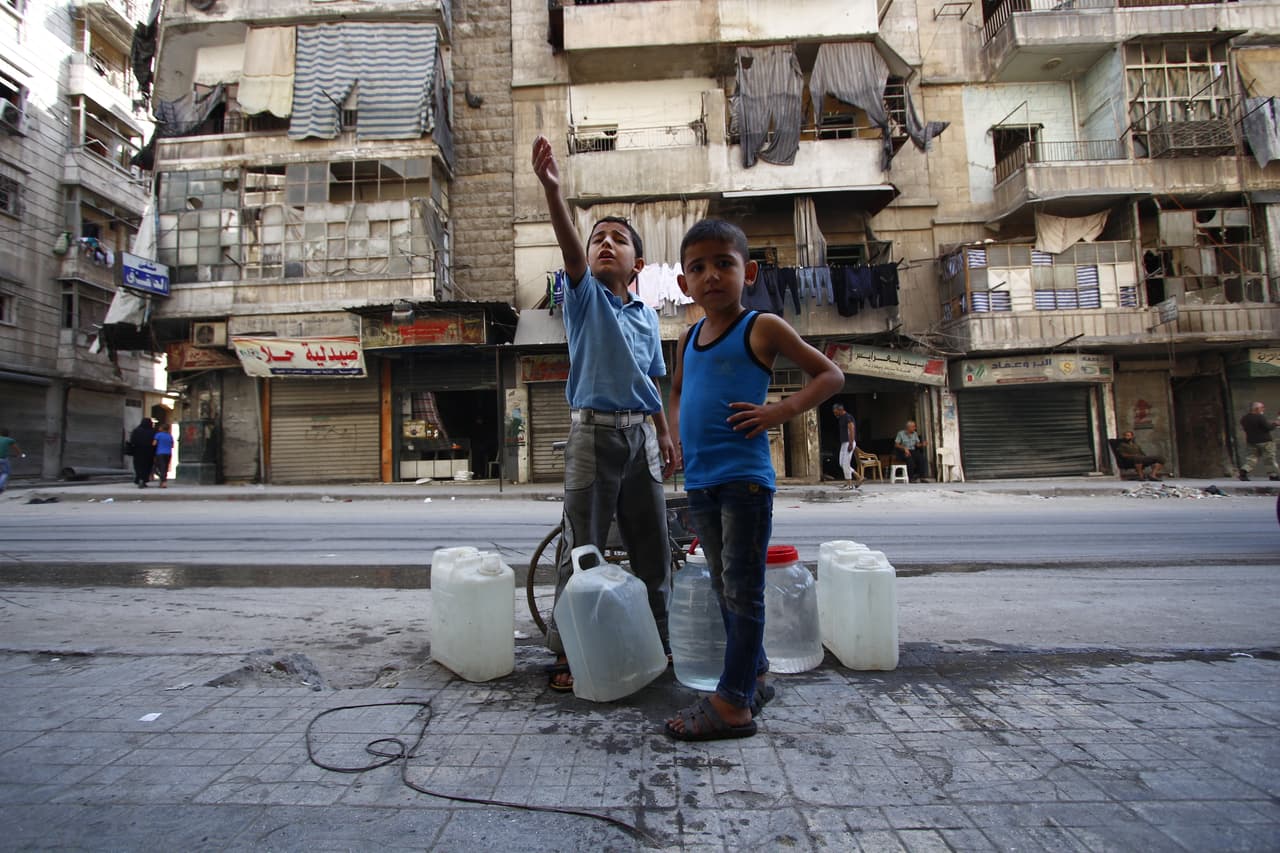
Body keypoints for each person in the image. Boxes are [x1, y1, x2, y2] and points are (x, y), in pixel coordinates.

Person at [664, 219, 843, 741]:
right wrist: (672, 436)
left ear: (749, 272)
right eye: (697, 267)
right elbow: (676, 392)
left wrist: (778, 412)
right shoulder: (688, 337)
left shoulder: (760, 327)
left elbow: (830, 375)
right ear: (683, 284)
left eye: (724, 263)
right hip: (701, 482)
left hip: (744, 482)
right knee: (725, 584)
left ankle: (733, 704)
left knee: (742, 591)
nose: (711, 275)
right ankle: (754, 675)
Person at [531, 135, 677, 692]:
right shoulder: (583, 297)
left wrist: (664, 433)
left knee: (653, 549)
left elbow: (651, 380)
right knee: (582, 546)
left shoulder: (644, 314)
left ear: (637, 264)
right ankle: (571, 653)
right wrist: (554, 191)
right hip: (591, 436)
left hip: (640, 439)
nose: (605, 245)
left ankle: (657, 643)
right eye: (599, 240)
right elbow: (569, 251)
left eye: (618, 240)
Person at [1238, 401, 1280, 481]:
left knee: (1251, 459)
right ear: (1256, 409)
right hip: (1265, 441)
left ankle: (1244, 471)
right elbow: (1267, 427)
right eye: (1262, 407)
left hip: (1251, 441)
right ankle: (1273, 475)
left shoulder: (1244, 418)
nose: (1263, 409)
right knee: (1269, 459)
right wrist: (1275, 423)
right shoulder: (1260, 417)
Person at [832, 402, 862, 489]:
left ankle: (849, 484)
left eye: (835, 411)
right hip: (844, 443)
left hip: (848, 442)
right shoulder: (841, 418)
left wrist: (851, 443)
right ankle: (859, 477)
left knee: (846, 463)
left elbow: (851, 429)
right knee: (842, 463)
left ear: (840, 410)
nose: (835, 413)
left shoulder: (847, 417)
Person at [128, 416, 156, 488]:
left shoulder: (136, 430)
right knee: (147, 466)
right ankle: (144, 479)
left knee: (138, 466)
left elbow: (132, 440)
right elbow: (154, 442)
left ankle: (140, 478)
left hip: (138, 451)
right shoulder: (152, 431)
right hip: (149, 452)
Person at [0, 428, 24, 494]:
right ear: (8, 434)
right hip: (3, 459)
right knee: (5, 472)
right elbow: (16, 448)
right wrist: (20, 454)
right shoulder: (9, 440)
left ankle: (1, 487)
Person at [152, 422, 175, 488]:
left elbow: (154, 443)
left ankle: (162, 481)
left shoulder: (158, 435)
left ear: (161, 428)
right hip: (168, 453)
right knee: (165, 468)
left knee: (157, 467)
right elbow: (172, 445)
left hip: (160, 453)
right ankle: (163, 481)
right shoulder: (169, 436)